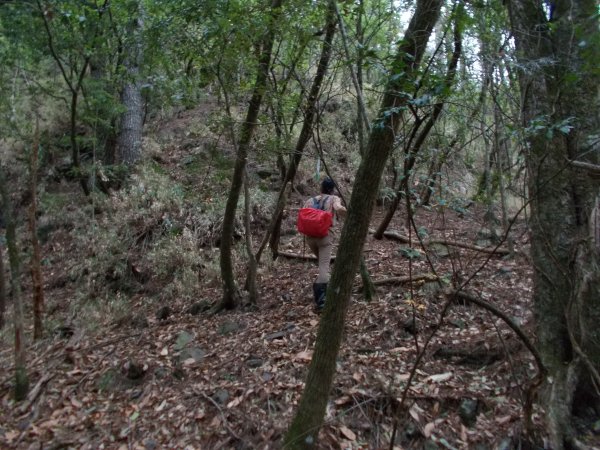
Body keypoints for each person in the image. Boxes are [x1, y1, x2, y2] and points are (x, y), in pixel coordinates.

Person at [303, 177, 346, 310]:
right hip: (325, 238)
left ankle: (328, 291)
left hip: (310, 238)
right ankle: (321, 301)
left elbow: (303, 214)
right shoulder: (334, 199)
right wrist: (349, 212)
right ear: (332, 189)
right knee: (324, 268)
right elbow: (339, 209)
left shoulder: (310, 200)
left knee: (323, 265)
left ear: (321, 187)